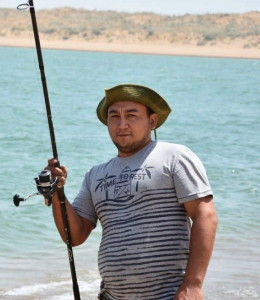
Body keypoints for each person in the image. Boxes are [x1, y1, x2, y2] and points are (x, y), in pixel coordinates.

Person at [45, 84, 218, 300]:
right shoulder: (95, 174)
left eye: (132, 115)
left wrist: (193, 285)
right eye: (114, 116)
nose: (122, 124)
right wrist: (56, 192)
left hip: (169, 295)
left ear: (152, 121)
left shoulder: (174, 156)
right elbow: (75, 235)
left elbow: (206, 215)